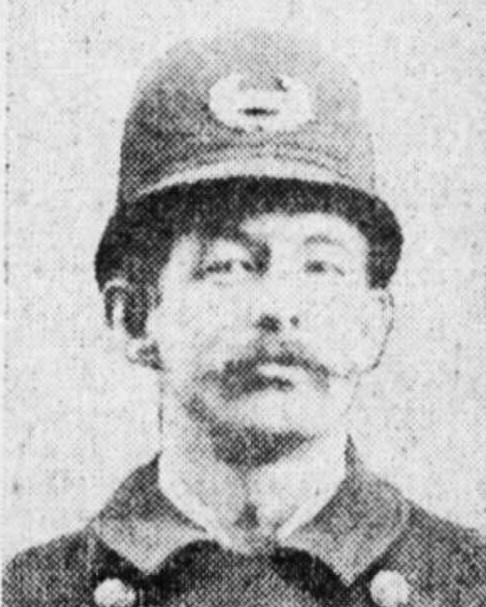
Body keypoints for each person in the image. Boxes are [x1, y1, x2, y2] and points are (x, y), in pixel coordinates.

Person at [4, 29, 485, 607]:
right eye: (227, 265)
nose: (278, 308)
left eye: (321, 266)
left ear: (373, 323)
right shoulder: (35, 592)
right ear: (134, 317)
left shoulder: (466, 583)